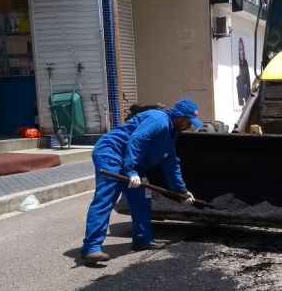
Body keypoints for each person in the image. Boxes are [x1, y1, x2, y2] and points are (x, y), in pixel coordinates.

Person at [80, 98, 203, 264]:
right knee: (106, 197)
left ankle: (142, 239)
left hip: (131, 160)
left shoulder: (170, 133)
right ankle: (91, 247)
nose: (191, 126)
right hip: (112, 153)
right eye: (189, 121)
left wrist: (181, 190)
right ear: (180, 117)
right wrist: (130, 171)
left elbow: (170, 161)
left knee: (143, 196)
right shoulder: (158, 120)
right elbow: (137, 140)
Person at [236, 37, 251, 106]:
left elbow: (247, 79)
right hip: (242, 92)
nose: (241, 52)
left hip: (246, 91)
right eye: (240, 49)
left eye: (242, 49)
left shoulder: (245, 63)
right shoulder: (239, 64)